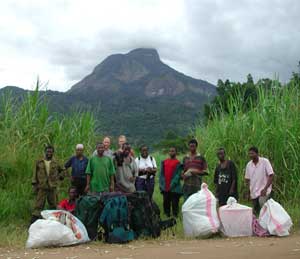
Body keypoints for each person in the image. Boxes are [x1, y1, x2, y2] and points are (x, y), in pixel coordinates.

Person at [31, 145, 65, 224]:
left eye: (51, 152)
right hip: (42, 187)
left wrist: (60, 177)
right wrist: (35, 184)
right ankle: (33, 223)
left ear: (53, 153)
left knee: (53, 205)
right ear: (45, 152)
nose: (49, 153)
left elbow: (63, 170)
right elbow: (35, 174)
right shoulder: (39, 162)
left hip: (52, 187)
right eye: (48, 151)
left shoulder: (56, 163)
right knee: (38, 205)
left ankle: (54, 223)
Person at [245, 146, 274, 214]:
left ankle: (267, 222)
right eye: (249, 154)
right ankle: (258, 223)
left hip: (263, 191)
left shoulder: (265, 162)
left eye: (252, 153)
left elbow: (271, 175)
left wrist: (265, 189)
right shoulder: (249, 165)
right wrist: (248, 192)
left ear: (257, 153)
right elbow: (247, 179)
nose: (251, 155)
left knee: (263, 206)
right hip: (254, 192)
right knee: (256, 212)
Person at [159, 147, 181, 217]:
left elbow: (178, 175)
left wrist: (172, 184)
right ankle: (167, 215)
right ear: (169, 152)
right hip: (165, 187)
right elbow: (161, 174)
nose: (171, 152)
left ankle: (175, 217)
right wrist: (162, 184)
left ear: (176, 152)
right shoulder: (164, 162)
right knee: (166, 202)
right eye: (170, 151)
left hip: (174, 187)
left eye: (173, 151)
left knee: (175, 203)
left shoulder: (178, 163)